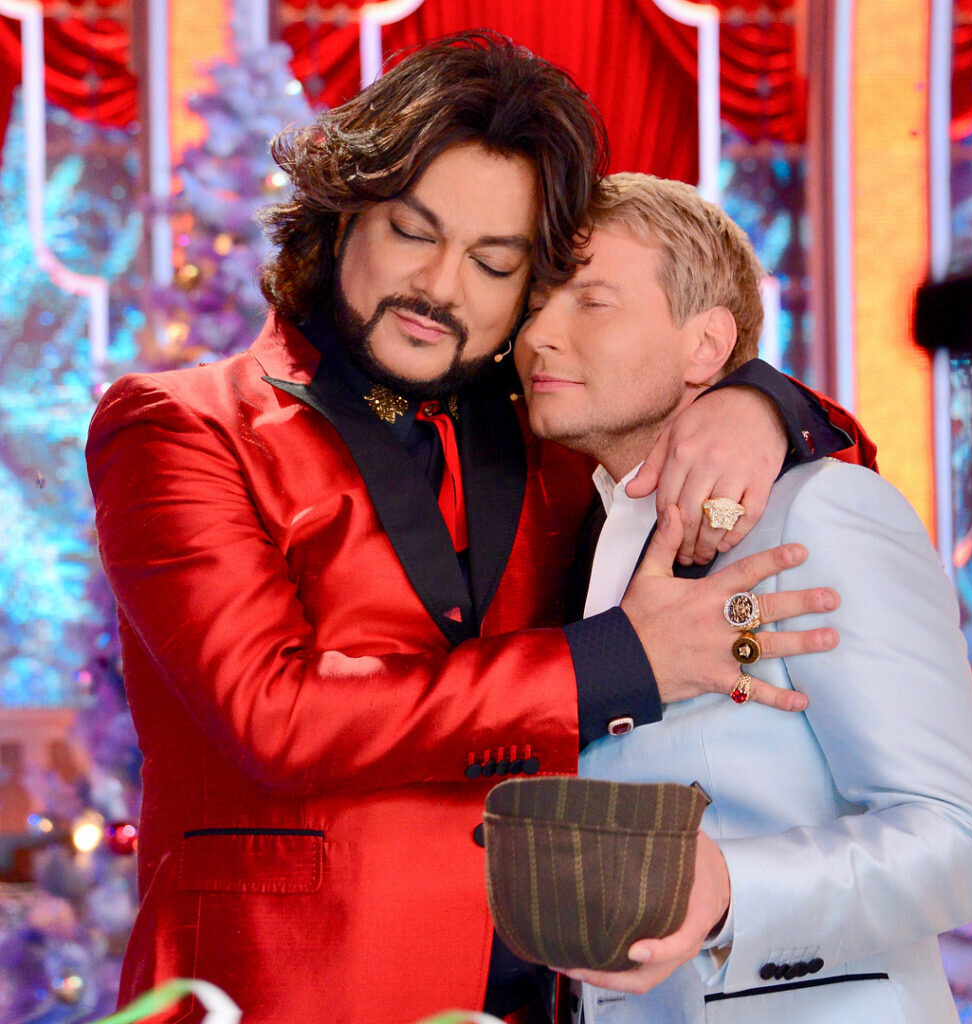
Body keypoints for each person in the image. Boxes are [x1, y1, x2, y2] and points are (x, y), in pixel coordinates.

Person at [86, 33, 871, 1024]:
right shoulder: (178, 425)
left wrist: (756, 403)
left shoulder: (551, 433)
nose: (442, 288)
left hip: (548, 989)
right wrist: (614, 664)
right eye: (413, 232)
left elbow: (844, 469)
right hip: (283, 991)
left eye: (494, 262)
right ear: (342, 213)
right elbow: (275, 717)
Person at [514, 172, 972, 1024]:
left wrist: (731, 887)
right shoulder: (577, 532)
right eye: (533, 304)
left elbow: (960, 845)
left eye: (591, 302)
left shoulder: (825, 509)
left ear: (707, 346)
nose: (537, 336)